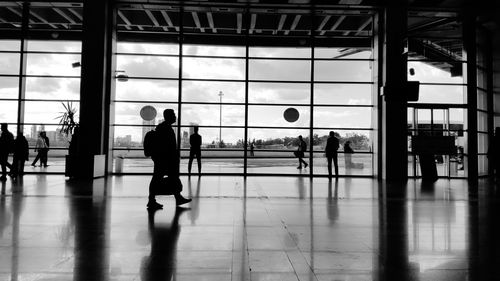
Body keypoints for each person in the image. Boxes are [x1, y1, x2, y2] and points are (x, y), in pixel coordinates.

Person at [148, 109, 191, 209]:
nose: (175, 116)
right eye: (173, 114)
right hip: (165, 160)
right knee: (160, 179)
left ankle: (154, 200)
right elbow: (167, 146)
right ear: (168, 116)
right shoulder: (166, 128)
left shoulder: (163, 127)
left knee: (165, 178)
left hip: (163, 159)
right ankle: (152, 200)